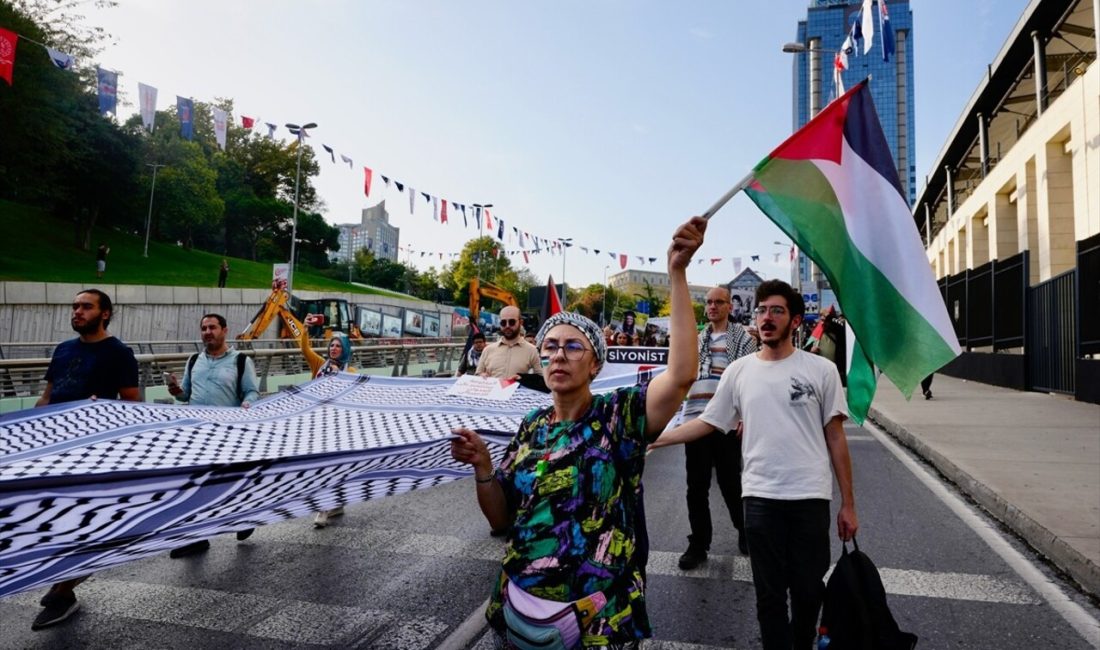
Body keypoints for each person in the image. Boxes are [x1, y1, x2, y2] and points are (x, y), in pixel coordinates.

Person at [449, 217, 705, 648]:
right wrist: (484, 468)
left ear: (595, 364)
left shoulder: (618, 416)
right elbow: (500, 516)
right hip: (519, 613)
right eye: (549, 347)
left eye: (573, 347)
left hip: (597, 622)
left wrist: (677, 273)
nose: (558, 355)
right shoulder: (531, 426)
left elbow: (681, 375)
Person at [652, 279, 857, 650]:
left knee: (809, 591)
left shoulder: (821, 371)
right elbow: (707, 421)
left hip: (810, 499)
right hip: (760, 499)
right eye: (762, 310)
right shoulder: (739, 371)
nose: (766, 317)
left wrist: (848, 503)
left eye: (777, 310)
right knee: (769, 596)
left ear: (795, 321)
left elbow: (836, 437)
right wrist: (655, 438)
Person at [32, 289, 140, 631]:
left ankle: (64, 592)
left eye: (86, 307)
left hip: (94, 456)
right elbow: (48, 396)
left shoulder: (119, 353)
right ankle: (62, 581)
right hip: (54, 452)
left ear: (105, 313)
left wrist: (102, 414)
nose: (77, 311)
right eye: (75, 306)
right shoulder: (63, 350)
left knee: (92, 526)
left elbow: (132, 407)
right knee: (52, 521)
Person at [165, 313, 262, 557]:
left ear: (225, 330)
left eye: (212, 327)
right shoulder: (193, 360)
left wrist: (247, 405)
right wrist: (176, 390)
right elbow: (185, 395)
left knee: (231, 482)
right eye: (204, 328)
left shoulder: (240, 361)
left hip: (228, 434)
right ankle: (196, 537)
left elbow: (251, 392)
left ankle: (244, 516)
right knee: (195, 486)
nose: (207, 332)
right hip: (198, 434)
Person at [677, 286, 758, 570]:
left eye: (718, 302)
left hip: (725, 421)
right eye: (709, 302)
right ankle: (698, 543)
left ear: (729, 307)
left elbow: (751, 381)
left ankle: (744, 531)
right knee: (695, 487)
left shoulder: (744, 340)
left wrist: (745, 417)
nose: (712, 306)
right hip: (695, 420)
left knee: (730, 482)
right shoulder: (696, 340)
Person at [296, 324, 357, 526]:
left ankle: (325, 507)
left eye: (338, 346)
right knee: (320, 464)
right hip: (317, 422)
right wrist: (305, 330)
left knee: (332, 465)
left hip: (338, 425)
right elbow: (305, 349)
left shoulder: (351, 371)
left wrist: (338, 376)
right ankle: (331, 503)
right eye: (332, 345)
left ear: (345, 349)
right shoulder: (319, 364)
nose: (333, 349)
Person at [475, 305, 541, 379]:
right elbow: (478, 375)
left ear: (521, 322)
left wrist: (524, 379)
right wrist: (481, 376)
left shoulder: (532, 350)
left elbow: (542, 378)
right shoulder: (488, 350)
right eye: (503, 322)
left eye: (511, 322)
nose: (507, 326)